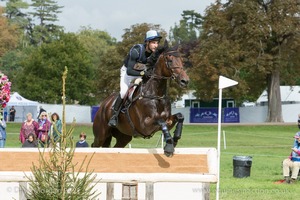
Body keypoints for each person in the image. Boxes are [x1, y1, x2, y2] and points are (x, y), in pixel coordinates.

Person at [108, 30, 162, 127]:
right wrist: (143, 73)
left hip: (141, 74)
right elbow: (130, 71)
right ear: (147, 42)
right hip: (128, 73)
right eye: (153, 42)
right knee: (124, 92)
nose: (156, 45)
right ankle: (114, 116)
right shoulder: (136, 51)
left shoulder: (154, 54)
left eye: (157, 43)